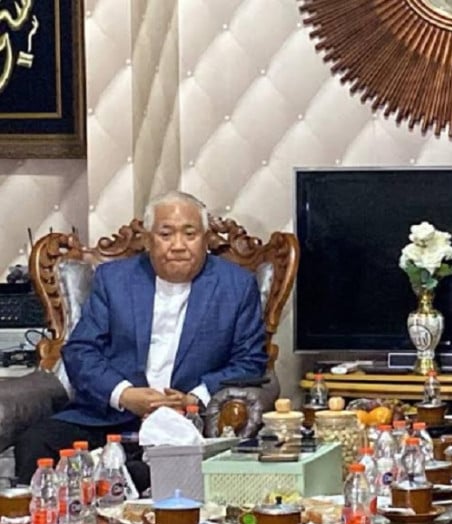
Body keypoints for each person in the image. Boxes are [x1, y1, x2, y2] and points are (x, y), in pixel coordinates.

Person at [15, 191, 267, 490]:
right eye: (166, 234)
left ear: (206, 238)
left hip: (188, 422)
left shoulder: (235, 285)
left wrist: (195, 398)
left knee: (147, 473)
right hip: (111, 417)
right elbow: (81, 350)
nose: (178, 245)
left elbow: (250, 361)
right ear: (148, 239)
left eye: (190, 234)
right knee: (36, 443)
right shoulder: (114, 279)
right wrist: (124, 394)